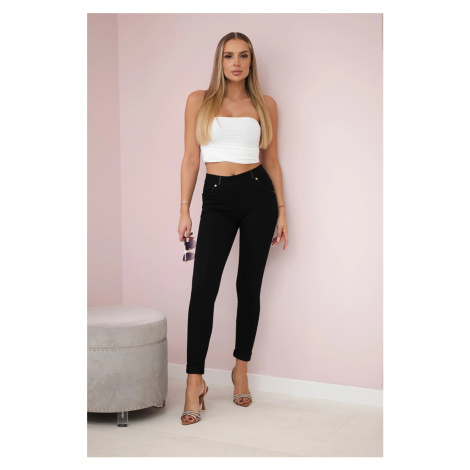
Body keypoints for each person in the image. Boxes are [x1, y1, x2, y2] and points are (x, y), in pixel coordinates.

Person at [178, 32, 289, 425]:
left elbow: (271, 160)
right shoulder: (199, 100)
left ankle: (240, 370)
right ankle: (194, 382)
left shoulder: (265, 104)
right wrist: (184, 209)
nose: (236, 63)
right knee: (203, 288)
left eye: (243, 56)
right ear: (220, 61)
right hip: (217, 196)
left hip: (259, 195)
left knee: (248, 286)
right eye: (229, 56)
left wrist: (282, 210)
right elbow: (191, 158)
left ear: (251, 61)